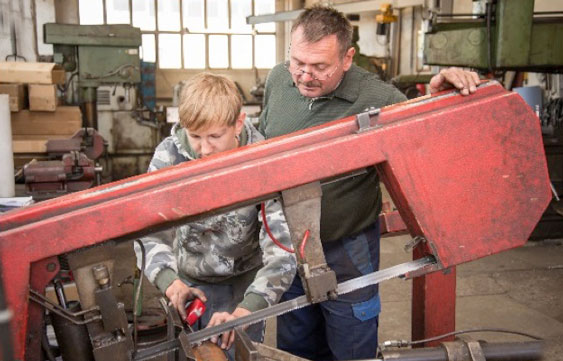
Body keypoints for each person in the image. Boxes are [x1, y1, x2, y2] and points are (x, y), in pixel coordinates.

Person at [259, 5, 480, 361]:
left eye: (320, 67)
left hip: (348, 247)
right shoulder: (277, 81)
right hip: (286, 245)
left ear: (347, 58)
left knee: (352, 344)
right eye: (299, 62)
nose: (304, 75)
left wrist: (437, 98)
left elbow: (432, 142)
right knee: (295, 344)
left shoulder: (378, 98)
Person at [135, 73, 297, 359]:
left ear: (238, 123)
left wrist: (247, 309)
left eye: (214, 136)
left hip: (243, 287)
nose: (205, 149)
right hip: (186, 284)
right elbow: (148, 232)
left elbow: (283, 252)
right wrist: (170, 282)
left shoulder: (262, 161)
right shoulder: (169, 156)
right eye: (195, 136)